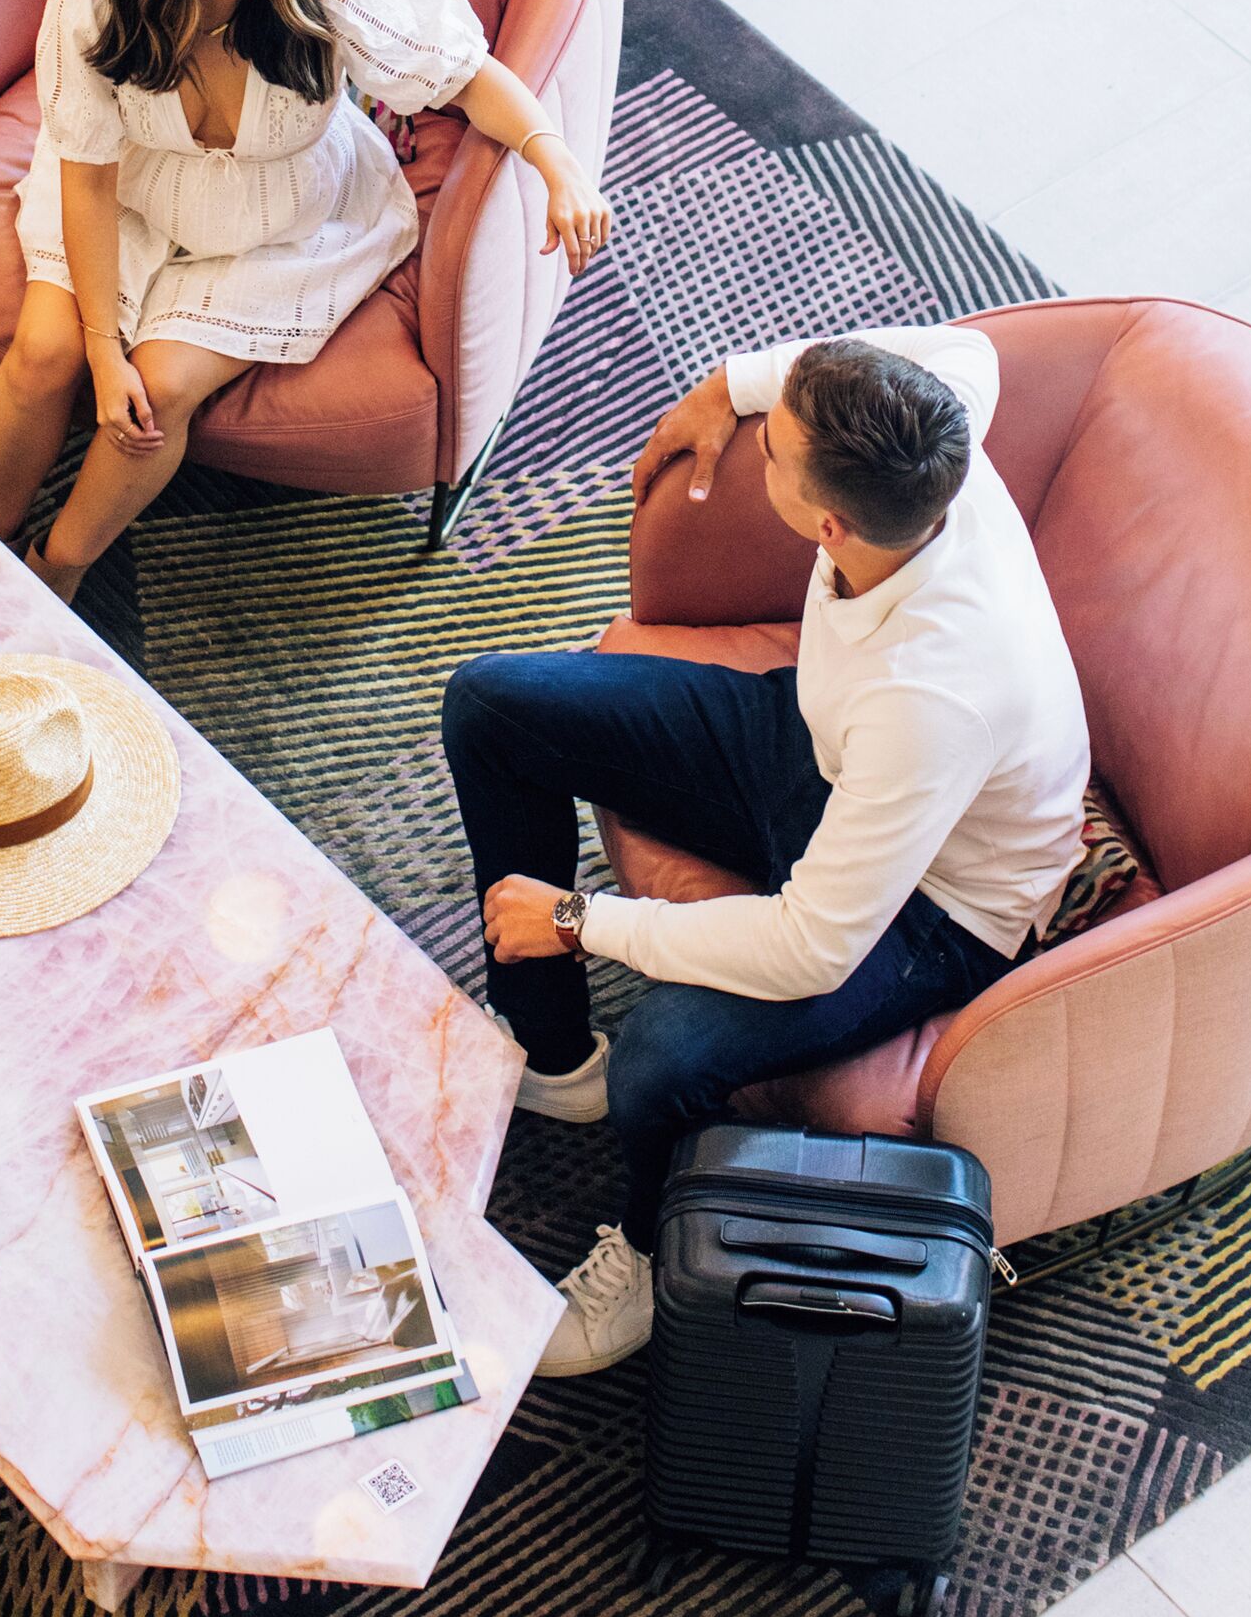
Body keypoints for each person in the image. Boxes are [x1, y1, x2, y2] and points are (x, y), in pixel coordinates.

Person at [442, 322, 1088, 1376]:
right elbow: (966, 351)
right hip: (820, 744)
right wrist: (727, 384)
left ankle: (648, 1255)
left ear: (825, 523)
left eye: (769, 450)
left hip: (935, 906)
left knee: (664, 1056)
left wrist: (577, 920)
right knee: (490, 707)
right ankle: (557, 1057)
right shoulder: (940, 422)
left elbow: (810, 949)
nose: (755, 447)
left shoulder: (935, 695)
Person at [0, 0, 611, 590]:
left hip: (280, 221)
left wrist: (558, 164)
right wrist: (103, 349)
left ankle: (53, 571)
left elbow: (468, 78)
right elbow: (91, 182)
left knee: (160, 392)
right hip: (130, 195)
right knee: (44, 355)